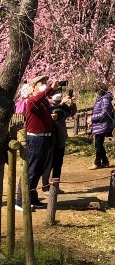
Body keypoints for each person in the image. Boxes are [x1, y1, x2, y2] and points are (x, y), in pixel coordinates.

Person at [15, 74, 67, 210]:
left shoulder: (44, 101)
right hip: (35, 138)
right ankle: (20, 200)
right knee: (31, 170)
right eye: (41, 83)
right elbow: (37, 99)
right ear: (33, 87)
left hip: (46, 137)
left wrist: (57, 115)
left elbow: (53, 110)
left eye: (45, 82)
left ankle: (32, 197)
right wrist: (50, 89)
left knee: (38, 170)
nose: (45, 84)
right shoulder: (31, 100)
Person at [41, 88, 77, 191]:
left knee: (58, 163)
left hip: (60, 137)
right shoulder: (46, 104)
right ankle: (45, 186)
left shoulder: (62, 104)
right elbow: (52, 114)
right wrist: (60, 106)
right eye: (55, 93)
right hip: (49, 138)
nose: (58, 94)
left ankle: (55, 186)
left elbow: (70, 113)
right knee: (49, 164)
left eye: (59, 93)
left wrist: (72, 103)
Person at [88, 83, 114, 170]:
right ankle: (105, 161)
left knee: (98, 144)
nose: (96, 93)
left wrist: (92, 118)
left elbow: (104, 113)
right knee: (99, 144)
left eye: (96, 91)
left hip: (102, 124)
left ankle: (97, 162)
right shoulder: (101, 98)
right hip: (99, 124)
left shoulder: (105, 99)